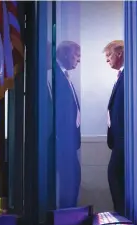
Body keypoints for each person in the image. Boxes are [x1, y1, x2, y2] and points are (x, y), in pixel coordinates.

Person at [48, 41, 81, 208]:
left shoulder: (63, 75)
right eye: (77, 55)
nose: (79, 60)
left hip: (69, 141)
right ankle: (65, 220)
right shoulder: (55, 76)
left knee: (73, 179)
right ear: (66, 54)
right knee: (69, 181)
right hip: (62, 141)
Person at [104, 40, 125, 215]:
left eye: (108, 55)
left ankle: (122, 215)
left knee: (115, 176)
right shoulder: (121, 76)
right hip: (118, 141)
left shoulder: (128, 76)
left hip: (123, 141)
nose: (106, 60)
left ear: (119, 54)